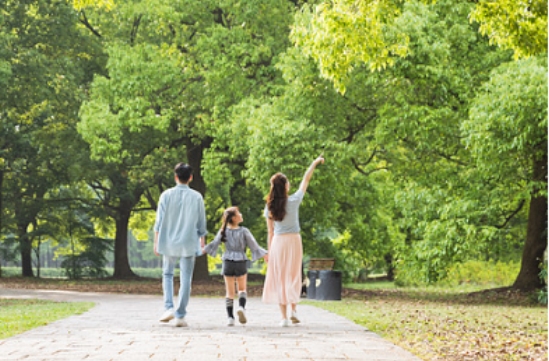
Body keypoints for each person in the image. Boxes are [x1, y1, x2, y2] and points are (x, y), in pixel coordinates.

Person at [262, 155, 324, 327]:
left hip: (278, 243)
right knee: (294, 276)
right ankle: (294, 310)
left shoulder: (270, 206)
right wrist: (315, 162)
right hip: (294, 241)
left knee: (281, 278)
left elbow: (270, 231)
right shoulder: (294, 200)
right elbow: (306, 179)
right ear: (286, 187)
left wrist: (269, 251)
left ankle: (283, 318)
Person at [153, 163, 207, 327]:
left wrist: (156, 241)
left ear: (175, 177)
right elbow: (201, 222)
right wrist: (202, 240)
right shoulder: (197, 196)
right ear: (190, 177)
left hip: (168, 241)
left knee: (167, 274)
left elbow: (159, 221)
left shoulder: (166, 195)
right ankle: (180, 315)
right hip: (189, 241)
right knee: (186, 279)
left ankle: (168, 307)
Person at [203, 207, 268, 326]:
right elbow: (254, 246)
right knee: (242, 289)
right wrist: (265, 254)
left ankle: (230, 318)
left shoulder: (223, 231)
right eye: (239, 213)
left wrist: (203, 250)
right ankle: (241, 308)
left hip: (227, 261)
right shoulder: (244, 231)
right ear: (234, 218)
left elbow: (214, 244)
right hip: (240, 261)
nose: (241, 214)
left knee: (229, 292)